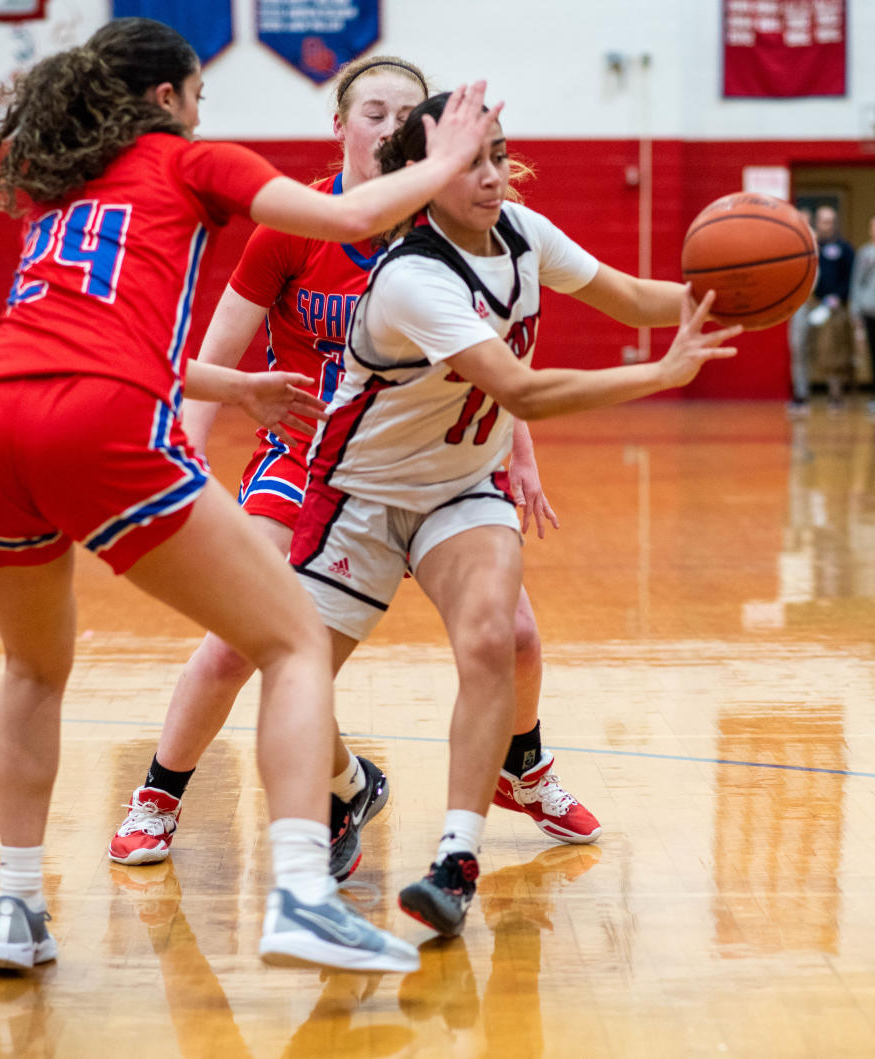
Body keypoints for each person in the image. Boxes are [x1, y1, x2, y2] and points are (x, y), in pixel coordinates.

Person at [0, 17, 502, 974]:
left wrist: (231, 389)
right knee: (288, 637)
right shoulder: (189, 159)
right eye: (199, 92)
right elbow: (349, 217)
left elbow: (92, 326)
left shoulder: (61, 187)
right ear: (166, 99)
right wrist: (445, 152)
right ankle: (299, 892)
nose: (205, 109)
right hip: (97, 423)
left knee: (32, 671)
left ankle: (18, 904)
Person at [107, 54, 600, 880]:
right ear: (339, 126)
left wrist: (518, 448)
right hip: (306, 462)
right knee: (244, 640)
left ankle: (521, 765)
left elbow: (499, 355)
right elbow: (213, 354)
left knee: (513, 636)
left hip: (432, 467)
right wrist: (182, 449)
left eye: (407, 116)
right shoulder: (295, 226)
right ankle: (166, 790)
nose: (388, 128)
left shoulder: (457, 230)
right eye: (372, 112)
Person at [288, 92, 740, 937]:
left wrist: (730, 297)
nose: (494, 174)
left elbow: (631, 297)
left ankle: (457, 859)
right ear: (422, 180)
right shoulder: (413, 278)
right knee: (295, 676)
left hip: (462, 485)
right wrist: (657, 376)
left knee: (496, 636)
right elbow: (521, 389)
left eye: (499, 153)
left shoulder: (523, 234)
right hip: (363, 496)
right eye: (472, 161)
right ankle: (350, 784)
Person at [805, 205, 855, 412]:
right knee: (809, 348)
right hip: (813, 305)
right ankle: (804, 394)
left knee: (837, 351)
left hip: (836, 307)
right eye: (824, 221)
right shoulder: (810, 248)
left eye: (831, 221)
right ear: (817, 223)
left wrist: (837, 297)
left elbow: (850, 277)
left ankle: (837, 394)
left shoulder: (845, 248)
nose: (828, 225)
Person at [786, 207, 815, 417]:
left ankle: (835, 396)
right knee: (798, 349)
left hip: (818, 303)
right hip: (800, 305)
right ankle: (801, 394)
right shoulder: (789, 244)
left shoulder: (813, 244)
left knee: (827, 351)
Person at [850, 213, 875, 414]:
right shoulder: (865, 253)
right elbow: (856, 283)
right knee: (872, 354)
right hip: (869, 311)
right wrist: (855, 311)